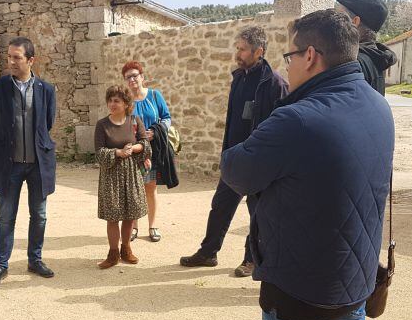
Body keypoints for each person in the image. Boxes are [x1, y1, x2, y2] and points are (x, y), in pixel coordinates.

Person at [220, 9, 394, 320]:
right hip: (356, 271)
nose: (288, 65)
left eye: (290, 55)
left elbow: (237, 170)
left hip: (298, 278)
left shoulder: (295, 119)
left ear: (311, 56)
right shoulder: (377, 106)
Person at [180, 26, 288, 277]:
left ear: (258, 51)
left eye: (242, 49)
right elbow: (232, 121)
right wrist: (225, 153)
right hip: (235, 158)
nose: (237, 53)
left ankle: (251, 259)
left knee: (257, 213)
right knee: (220, 206)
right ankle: (208, 253)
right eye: (237, 48)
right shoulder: (238, 77)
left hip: (259, 163)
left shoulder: (275, 84)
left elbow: (281, 127)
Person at [0, 37, 57, 288]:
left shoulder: (46, 90)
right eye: (9, 57)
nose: (11, 62)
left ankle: (34, 260)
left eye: (17, 57)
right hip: (9, 163)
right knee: (6, 216)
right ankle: (0, 265)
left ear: (30, 60)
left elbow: (46, 124)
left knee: (39, 215)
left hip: (38, 163)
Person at [94, 85, 151, 269]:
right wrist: (118, 152)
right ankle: (113, 253)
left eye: (116, 100)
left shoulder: (135, 121)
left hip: (131, 173)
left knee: (129, 215)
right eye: (110, 100)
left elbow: (145, 145)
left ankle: (126, 249)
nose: (112, 104)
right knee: (113, 216)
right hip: (111, 175)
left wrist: (133, 149)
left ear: (126, 103)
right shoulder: (102, 125)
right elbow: (99, 152)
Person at [122, 61, 177, 242]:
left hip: (152, 150)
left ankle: (153, 226)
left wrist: (156, 130)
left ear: (142, 77)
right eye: (128, 77)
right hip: (133, 151)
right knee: (134, 190)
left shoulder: (154, 95)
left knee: (150, 188)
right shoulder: (125, 101)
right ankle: (134, 227)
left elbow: (167, 118)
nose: (132, 80)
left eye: (134, 75)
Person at [334, 0, 398, 95]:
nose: (334, 21)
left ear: (355, 22)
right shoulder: (375, 57)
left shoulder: (352, 63)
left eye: (339, 17)